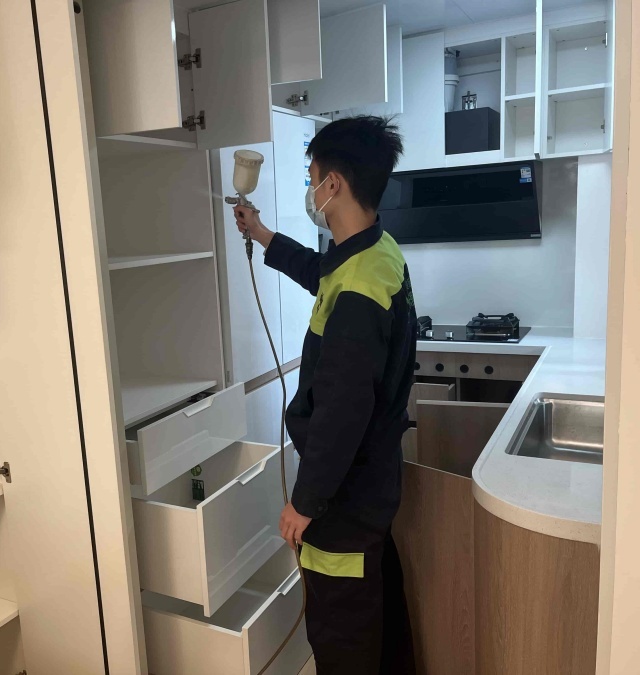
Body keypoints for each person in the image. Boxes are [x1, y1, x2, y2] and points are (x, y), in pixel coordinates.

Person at [233, 115, 418, 674]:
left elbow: (342, 412)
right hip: (370, 487)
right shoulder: (375, 253)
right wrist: (263, 234)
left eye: (311, 177)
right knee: (378, 626)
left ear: (333, 184)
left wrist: (304, 503)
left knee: (343, 642)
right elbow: (322, 271)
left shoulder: (358, 292)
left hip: (343, 502)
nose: (310, 188)